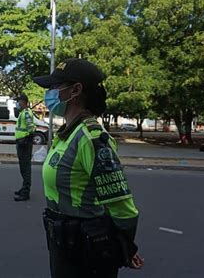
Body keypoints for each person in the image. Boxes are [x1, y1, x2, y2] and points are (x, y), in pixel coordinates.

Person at [33, 58, 144, 278]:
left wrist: (125, 248)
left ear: (75, 90)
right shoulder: (68, 133)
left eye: (55, 87)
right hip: (64, 244)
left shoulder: (91, 137)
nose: (49, 94)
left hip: (85, 254)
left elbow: (123, 208)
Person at [13, 93, 36, 201]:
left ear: (24, 102)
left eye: (19, 101)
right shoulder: (23, 112)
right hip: (22, 142)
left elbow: (31, 128)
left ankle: (25, 192)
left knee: (25, 168)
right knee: (23, 168)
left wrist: (26, 139)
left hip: (24, 144)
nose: (18, 103)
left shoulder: (26, 113)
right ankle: (23, 188)